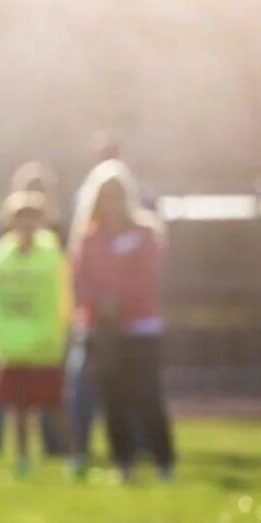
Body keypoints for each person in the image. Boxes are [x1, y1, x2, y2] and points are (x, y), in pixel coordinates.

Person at [71, 160, 175, 482]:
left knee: (146, 395)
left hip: (140, 327)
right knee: (112, 397)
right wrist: (99, 304)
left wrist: (120, 301)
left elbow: (147, 275)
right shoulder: (90, 238)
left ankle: (163, 461)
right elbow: (80, 278)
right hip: (103, 329)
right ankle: (124, 463)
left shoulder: (146, 232)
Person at [0, 162, 67, 461]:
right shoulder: (3, 246)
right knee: (8, 399)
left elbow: (62, 287)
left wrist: (59, 325)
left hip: (43, 335)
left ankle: (59, 449)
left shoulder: (53, 242)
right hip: (11, 335)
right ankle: (1, 449)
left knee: (50, 398)